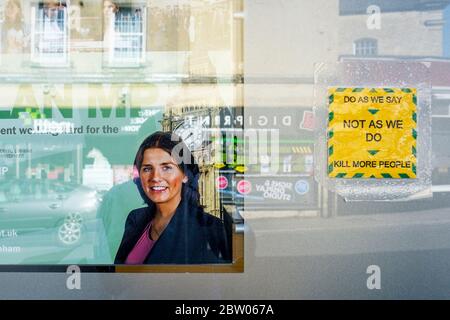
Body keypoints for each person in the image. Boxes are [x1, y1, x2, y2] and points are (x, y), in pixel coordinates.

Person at [115, 131, 231, 264]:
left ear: (185, 175)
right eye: (147, 169)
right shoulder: (135, 220)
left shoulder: (211, 229)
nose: (155, 177)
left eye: (166, 168)